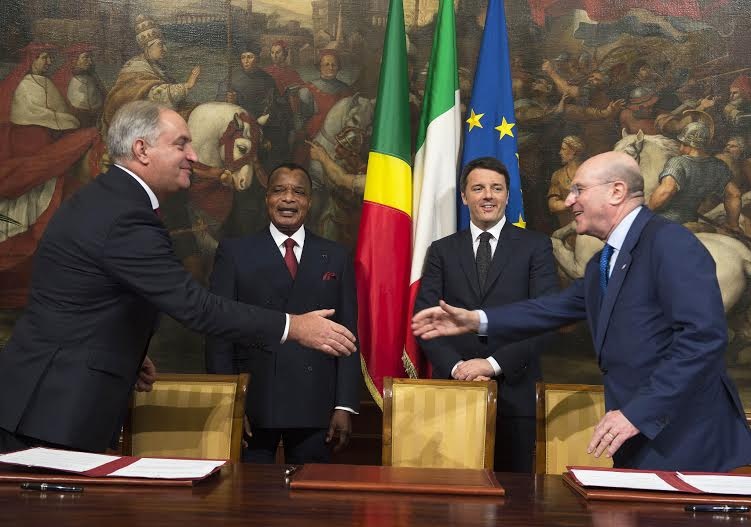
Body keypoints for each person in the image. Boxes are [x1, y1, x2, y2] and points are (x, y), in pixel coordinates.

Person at [0, 100, 356, 455]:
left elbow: (86, 296)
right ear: (142, 150)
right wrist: (294, 326)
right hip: (52, 407)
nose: (193, 155)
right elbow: (195, 306)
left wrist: (127, 350)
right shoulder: (125, 214)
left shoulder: (108, 198)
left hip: (52, 399)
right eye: (181, 144)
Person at [413, 151, 751, 472]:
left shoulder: (669, 242)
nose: (569, 200)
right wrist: (476, 320)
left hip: (685, 436)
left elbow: (702, 339)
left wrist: (637, 413)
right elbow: (553, 309)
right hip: (639, 433)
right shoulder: (604, 261)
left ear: (616, 191)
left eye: (579, 190)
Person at [206, 163, 359, 464]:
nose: (288, 198)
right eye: (279, 190)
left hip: (315, 403)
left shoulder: (336, 255)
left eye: (298, 192)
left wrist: (344, 405)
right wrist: (230, 402)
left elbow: (347, 334)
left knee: (311, 492)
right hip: (254, 403)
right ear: (267, 199)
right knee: (249, 490)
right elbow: (218, 332)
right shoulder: (235, 252)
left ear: (309, 201)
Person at [414, 157, 559, 472]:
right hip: (454, 392)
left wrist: (491, 365)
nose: (488, 195)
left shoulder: (536, 247)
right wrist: (459, 369)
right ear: (464, 197)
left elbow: (544, 320)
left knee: (515, 494)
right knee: (451, 491)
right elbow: (426, 321)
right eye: (478, 188)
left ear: (507, 195)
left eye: (496, 188)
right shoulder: (441, 250)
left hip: (515, 395)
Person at [0, 42, 99, 308]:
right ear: (31, 60)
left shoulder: (49, 84)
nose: (47, 62)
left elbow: (61, 113)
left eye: (48, 58)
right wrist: (64, 120)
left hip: (47, 143)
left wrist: (65, 120)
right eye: (43, 57)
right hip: (26, 147)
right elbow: (31, 114)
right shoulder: (23, 85)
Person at [102, 14, 200, 131]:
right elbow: (156, 96)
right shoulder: (135, 68)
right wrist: (187, 85)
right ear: (147, 47)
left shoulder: (155, 66)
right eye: (160, 45)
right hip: (134, 124)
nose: (165, 49)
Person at [649, 121, 741, 233]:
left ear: (688, 144)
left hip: (667, 222)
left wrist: (647, 211)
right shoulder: (719, 165)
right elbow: (734, 194)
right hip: (692, 221)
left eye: (682, 144)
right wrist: (733, 224)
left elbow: (666, 191)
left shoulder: (678, 163)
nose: (680, 149)